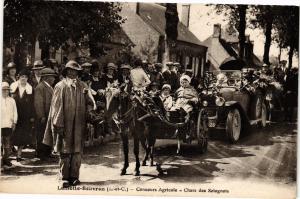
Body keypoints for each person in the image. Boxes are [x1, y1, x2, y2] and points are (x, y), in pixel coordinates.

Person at [43, 60, 95, 187]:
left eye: (76, 71)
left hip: (79, 124)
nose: (73, 73)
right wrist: (58, 124)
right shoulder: (60, 86)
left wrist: (90, 112)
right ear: (66, 71)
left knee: (77, 151)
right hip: (64, 124)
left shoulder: (82, 86)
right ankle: (64, 177)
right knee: (65, 151)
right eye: (70, 70)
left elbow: (89, 101)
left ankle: (74, 176)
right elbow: (56, 107)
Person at [10, 69, 35, 162]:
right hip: (14, 115)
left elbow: (33, 103)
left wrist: (32, 116)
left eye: (25, 77)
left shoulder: (30, 88)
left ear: (27, 78)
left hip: (25, 116)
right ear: (18, 78)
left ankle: (19, 154)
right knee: (12, 135)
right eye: (22, 77)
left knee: (23, 136)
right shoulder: (13, 87)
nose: (23, 78)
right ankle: (9, 154)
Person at [34, 68, 57, 160]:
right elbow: (38, 103)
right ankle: (41, 154)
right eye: (52, 77)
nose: (54, 79)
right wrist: (41, 116)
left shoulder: (49, 87)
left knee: (48, 134)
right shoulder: (40, 87)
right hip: (44, 116)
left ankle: (47, 152)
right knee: (42, 135)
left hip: (49, 115)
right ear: (47, 77)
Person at [1, 82, 18, 167]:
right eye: (4, 90)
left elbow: (15, 112)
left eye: (7, 90)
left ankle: (6, 159)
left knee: (7, 143)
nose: (5, 92)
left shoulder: (12, 100)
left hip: (8, 125)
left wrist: (14, 122)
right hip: (1, 125)